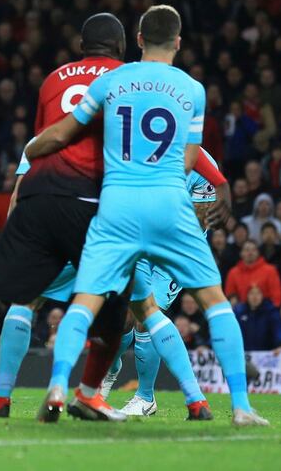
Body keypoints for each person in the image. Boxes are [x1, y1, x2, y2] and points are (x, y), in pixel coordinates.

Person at [16, 5, 266, 426]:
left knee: (87, 300)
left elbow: (61, 133)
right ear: (179, 42)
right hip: (169, 202)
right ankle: (240, 406)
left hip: (118, 206)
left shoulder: (113, 80)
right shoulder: (193, 90)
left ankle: (59, 384)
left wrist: (30, 152)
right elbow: (189, 160)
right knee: (213, 302)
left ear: (138, 39)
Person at [0, 13, 132, 421]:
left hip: (37, 197)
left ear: (81, 45)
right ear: (122, 46)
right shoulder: (128, 78)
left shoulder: (54, 79)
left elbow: (40, 144)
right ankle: (87, 394)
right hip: (93, 203)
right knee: (113, 306)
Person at [98, 147, 228, 418]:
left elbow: (199, 219)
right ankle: (109, 371)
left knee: (147, 315)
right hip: (141, 244)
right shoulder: (142, 152)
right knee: (122, 318)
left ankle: (145, 397)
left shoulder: (204, 164)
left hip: (176, 253)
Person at [225, 240, 281, 307]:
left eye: (253, 250)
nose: (250, 253)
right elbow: (229, 295)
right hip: (241, 311)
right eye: (247, 250)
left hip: (266, 310)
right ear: (241, 253)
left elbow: (276, 297)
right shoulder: (233, 272)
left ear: (258, 253)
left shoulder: (270, 270)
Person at [234, 286, 281, 351]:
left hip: (265, 354)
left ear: (263, 296)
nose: (255, 297)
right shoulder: (239, 312)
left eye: (258, 293)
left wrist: (280, 345)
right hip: (244, 352)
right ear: (247, 296)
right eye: (251, 293)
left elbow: (278, 330)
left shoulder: (271, 312)